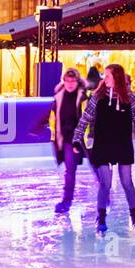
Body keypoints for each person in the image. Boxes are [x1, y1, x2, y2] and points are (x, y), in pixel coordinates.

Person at [73, 63, 135, 235]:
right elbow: (85, 118)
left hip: (122, 144)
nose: (104, 79)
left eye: (107, 76)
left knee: (127, 182)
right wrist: (77, 138)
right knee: (105, 183)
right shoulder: (97, 97)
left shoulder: (129, 98)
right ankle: (101, 218)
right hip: (103, 144)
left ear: (117, 78)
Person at [46, 68, 88, 215]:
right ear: (63, 81)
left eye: (73, 81)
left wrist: (83, 139)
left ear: (78, 82)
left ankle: (105, 194)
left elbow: (87, 119)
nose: (70, 84)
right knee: (70, 170)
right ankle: (66, 201)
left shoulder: (83, 97)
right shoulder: (58, 97)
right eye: (67, 81)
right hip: (66, 139)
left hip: (81, 138)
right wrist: (55, 138)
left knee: (97, 167)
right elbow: (53, 119)